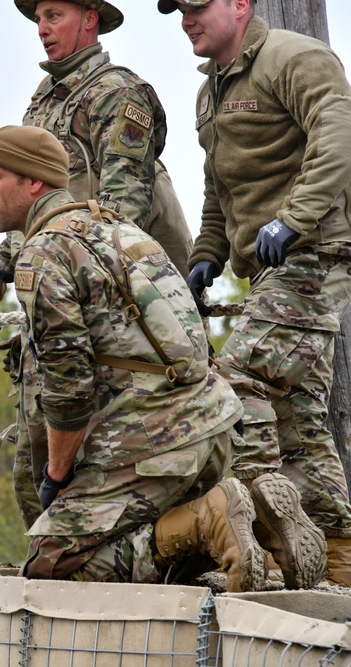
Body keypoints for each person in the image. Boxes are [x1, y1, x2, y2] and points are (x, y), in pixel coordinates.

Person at [0, 125, 326, 591]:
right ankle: (258, 518)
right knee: (130, 530)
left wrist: (57, 474)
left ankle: (207, 520)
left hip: (154, 441)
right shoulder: (114, 226)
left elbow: (68, 386)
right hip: (214, 424)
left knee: (51, 568)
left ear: (34, 181)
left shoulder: (42, 253)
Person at [158, 0, 351, 587]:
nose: (187, 20)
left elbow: (340, 130)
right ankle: (338, 563)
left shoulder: (294, 57)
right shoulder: (210, 92)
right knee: (300, 420)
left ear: (241, 5)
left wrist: (294, 218)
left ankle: (266, 545)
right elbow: (219, 186)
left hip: (314, 256)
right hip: (269, 269)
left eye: (198, 7)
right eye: (179, 12)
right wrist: (205, 258)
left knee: (233, 386)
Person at [0, 0, 193, 317]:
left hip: (127, 288)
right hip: (66, 276)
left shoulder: (116, 91)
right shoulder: (45, 100)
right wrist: (2, 268)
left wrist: (80, 279)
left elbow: (125, 202)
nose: (42, 29)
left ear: (90, 19)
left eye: (54, 16)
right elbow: (29, 196)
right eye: (39, 19)